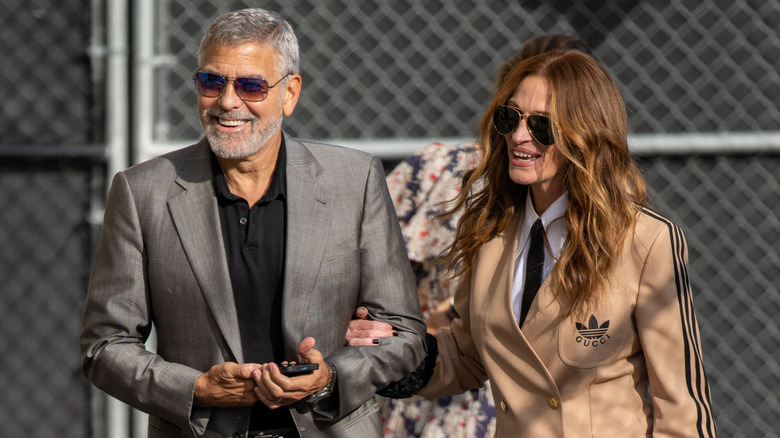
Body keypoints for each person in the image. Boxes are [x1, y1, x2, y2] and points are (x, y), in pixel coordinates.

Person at [80, 8, 426, 438]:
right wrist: (197, 389)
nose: (227, 101)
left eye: (250, 85)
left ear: (290, 93)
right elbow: (103, 347)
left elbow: (405, 335)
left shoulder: (354, 181)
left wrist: (330, 378)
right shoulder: (142, 192)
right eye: (212, 82)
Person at [349, 50, 717, 437]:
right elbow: (467, 357)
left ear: (585, 135)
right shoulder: (489, 229)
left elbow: (682, 407)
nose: (519, 136)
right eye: (510, 118)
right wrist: (392, 351)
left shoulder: (645, 240)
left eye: (542, 126)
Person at [380, 34, 590, 437]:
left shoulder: (608, 210)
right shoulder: (443, 167)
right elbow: (369, 261)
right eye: (515, 116)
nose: (524, 134)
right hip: (443, 384)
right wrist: (423, 326)